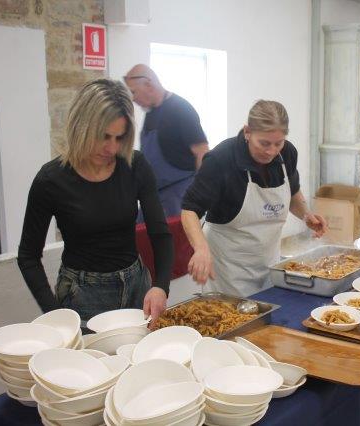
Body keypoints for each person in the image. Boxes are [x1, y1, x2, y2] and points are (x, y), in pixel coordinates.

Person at [17, 79, 174, 324]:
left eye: (119, 138)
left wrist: (161, 286)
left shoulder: (135, 165)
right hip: (82, 295)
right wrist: (54, 314)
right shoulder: (51, 180)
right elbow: (28, 256)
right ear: (81, 127)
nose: (112, 148)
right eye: (103, 136)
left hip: (136, 285)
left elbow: (160, 233)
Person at [180, 100, 327, 297]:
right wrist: (201, 249)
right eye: (264, 143)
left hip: (268, 261)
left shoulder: (287, 154)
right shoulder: (220, 160)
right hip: (228, 267)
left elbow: (292, 193)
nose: (271, 151)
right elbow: (189, 210)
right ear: (247, 132)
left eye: (278, 143)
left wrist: (306, 215)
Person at [124, 64, 209, 219]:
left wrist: (199, 196)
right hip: (155, 194)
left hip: (179, 196)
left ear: (148, 85)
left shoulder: (181, 109)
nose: (133, 99)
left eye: (134, 92)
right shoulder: (151, 113)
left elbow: (202, 152)